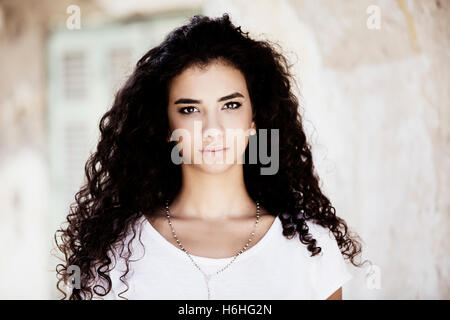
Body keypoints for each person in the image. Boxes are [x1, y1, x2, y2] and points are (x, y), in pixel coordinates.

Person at [55, 13, 366, 300]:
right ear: (166, 126)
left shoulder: (310, 248)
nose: (212, 129)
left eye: (230, 105)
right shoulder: (116, 253)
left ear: (254, 120)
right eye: (190, 110)